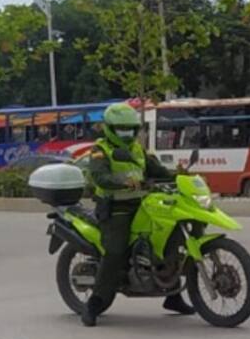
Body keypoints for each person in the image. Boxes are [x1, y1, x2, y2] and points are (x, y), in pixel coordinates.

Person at [80, 102, 195, 327]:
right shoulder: (100, 151)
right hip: (115, 209)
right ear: (110, 129)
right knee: (115, 251)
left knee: (170, 238)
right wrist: (123, 181)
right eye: (122, 129)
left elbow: (158, 172)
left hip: (143, 205)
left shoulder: (137, 150)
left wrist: (182, 177)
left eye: (131, 129)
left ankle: (173, 295)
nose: (128, 134)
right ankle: (94, 303)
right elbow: (100, 178)